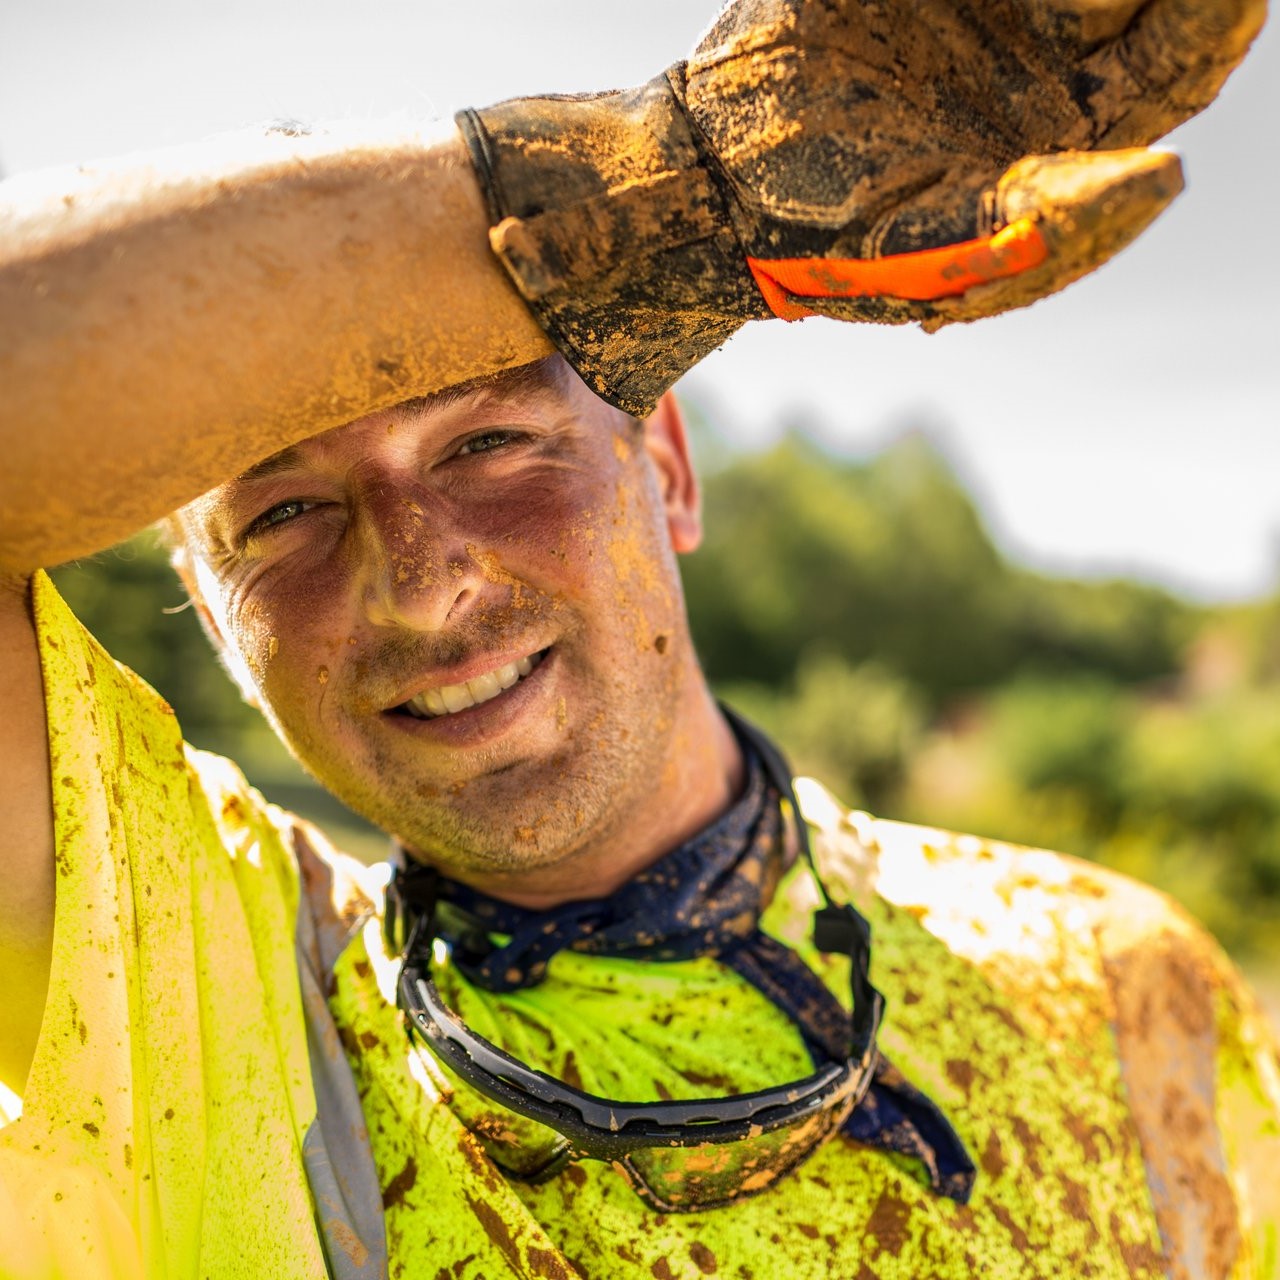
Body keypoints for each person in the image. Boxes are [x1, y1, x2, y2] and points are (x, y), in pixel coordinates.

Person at [1, 1, 1277, 1277]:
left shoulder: (1119, 980)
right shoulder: (173, 981)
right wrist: (676, 173)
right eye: (281, 513)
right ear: (208, 603)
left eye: (489, 443)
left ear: (662, 463)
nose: (418, 578)